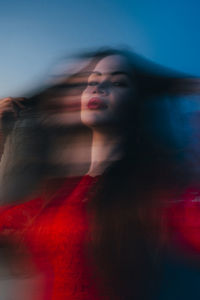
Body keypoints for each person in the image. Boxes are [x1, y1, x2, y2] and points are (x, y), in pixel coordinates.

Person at [0, 48, 199, 300]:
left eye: (117, 82)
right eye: (90, 82)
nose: (98, 88)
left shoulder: (155, 192)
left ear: (135, 100)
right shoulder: (53, 193)